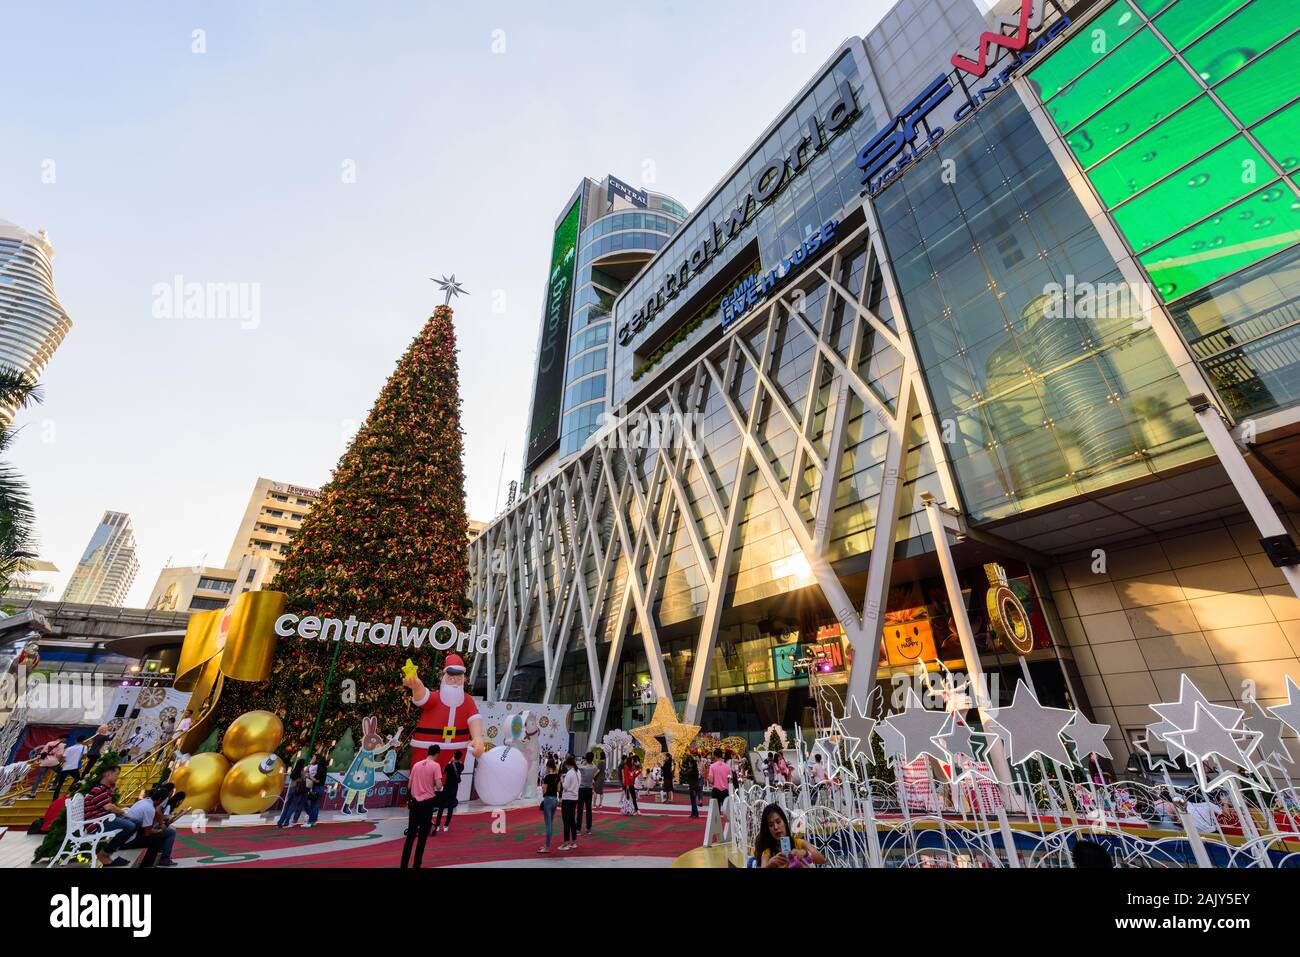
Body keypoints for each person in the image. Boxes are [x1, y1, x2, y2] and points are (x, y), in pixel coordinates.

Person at [85, 765, 138, 868]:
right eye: (116, 774)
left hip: (103, 819)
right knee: (130, 826)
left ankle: (108, 852)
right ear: (107, 774)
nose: (117, 777)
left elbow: (108, 806)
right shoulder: (98, 789)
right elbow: (109, 807)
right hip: (96, 823)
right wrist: (122, 813)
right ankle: (104, 855)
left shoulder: (104, 789)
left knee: (136, 822)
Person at [401, 746, 442, 868]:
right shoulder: (435, 766)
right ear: (437, 754)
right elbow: (439, 786)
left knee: (410, 836)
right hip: (427, 803)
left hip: (415, 803)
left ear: (428, 752)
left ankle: (403, 864)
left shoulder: (416, 765)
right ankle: (416, 864)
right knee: (422, 837)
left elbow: (409, 786)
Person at [120, 785, 179, 867]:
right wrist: (159, 830)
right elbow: (147, 833)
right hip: (127, 840)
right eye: (163, 802)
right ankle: (148, 865)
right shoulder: (149, 809)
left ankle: (157, 861)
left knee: (160, 835)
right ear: (159, 800)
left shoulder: (143, 801)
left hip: (125, 835)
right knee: (155, 840)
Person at [754, 803, 825, 868]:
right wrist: (770, 864)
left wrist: (804, 853)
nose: (776, 827)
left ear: (785, 823)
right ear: (768, 830)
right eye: (771, 825)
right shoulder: (767, 852)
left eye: (778, 822)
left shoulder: (799, 843)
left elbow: (821, 860)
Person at [433, 749, 463, 833]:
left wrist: (450, 762)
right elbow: (459, 768)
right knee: (450, 807)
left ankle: (438, 825)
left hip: (447, 788)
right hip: (454, 789)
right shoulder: (461, 766)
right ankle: (446, 825)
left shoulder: (450, 765)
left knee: (441, 807)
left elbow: (443, 771)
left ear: (454, 755)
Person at [297, 753, 327, 827]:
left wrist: (310, 776)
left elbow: (317, 780)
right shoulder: (323, 769)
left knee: (313, 804)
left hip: (317, 787)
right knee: (315, 804)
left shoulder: (320, 769)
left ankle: (311, 821)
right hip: (319, 788)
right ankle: (313, 820)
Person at [538, 757, 560, 854]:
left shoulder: (547, 777)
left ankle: (547, 847)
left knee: (548, 825)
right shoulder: (557, 777)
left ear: (548, 767)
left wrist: (543, 787)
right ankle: (547, 845)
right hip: (555, 800)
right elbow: (559, 789)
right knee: (550, 823)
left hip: (548, 800)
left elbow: (544, 790)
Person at [278, 758, 307, 828]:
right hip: (298, 790)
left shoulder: (293, 771)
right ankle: (286, 822)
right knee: (292, 807)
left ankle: (280, 821)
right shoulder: (302, 771)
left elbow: (291, 778)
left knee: (286, 806)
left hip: (291, 788)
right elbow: (304, 779)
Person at [559, 754, 581, 851]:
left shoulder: (569, 773)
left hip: (567, 798)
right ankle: (573, 841)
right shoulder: (578, 772)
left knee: (566, 821)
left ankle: (566, 842)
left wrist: (562, 780)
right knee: (572, 820)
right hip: (575, 797)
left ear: (568, 765)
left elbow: (566, 787)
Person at [577, 752, 596, 836]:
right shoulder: (594, 767)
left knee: (580, 809)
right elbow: (596, 770)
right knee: (589, 810)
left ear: (586, 759)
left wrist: (583, 762)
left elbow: (577, 767)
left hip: (581, 789)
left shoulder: (582, 768)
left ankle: (578, 829)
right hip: (589, 789)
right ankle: (589, 829)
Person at [708, 749, 731, 815]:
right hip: (725, 791)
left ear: (715, 756)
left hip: (716, 790)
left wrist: (710, 780)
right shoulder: (727, 767)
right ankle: (728, 824)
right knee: (727, 812)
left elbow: (711, 780)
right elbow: (730, 780)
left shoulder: (712, 766)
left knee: (715, 812)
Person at [680, 751, 700, 818]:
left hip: (693, 787)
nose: (689, 764)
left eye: (689, 763)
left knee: (693, 801)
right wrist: (683, 769)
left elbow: (685, 773)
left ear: (691, 764)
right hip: (695, 786)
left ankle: (695, 814)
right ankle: (693, 813)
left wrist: (682, 769)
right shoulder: (695, 770)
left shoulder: (692, 770)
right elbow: (687, 772)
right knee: (693, 801)